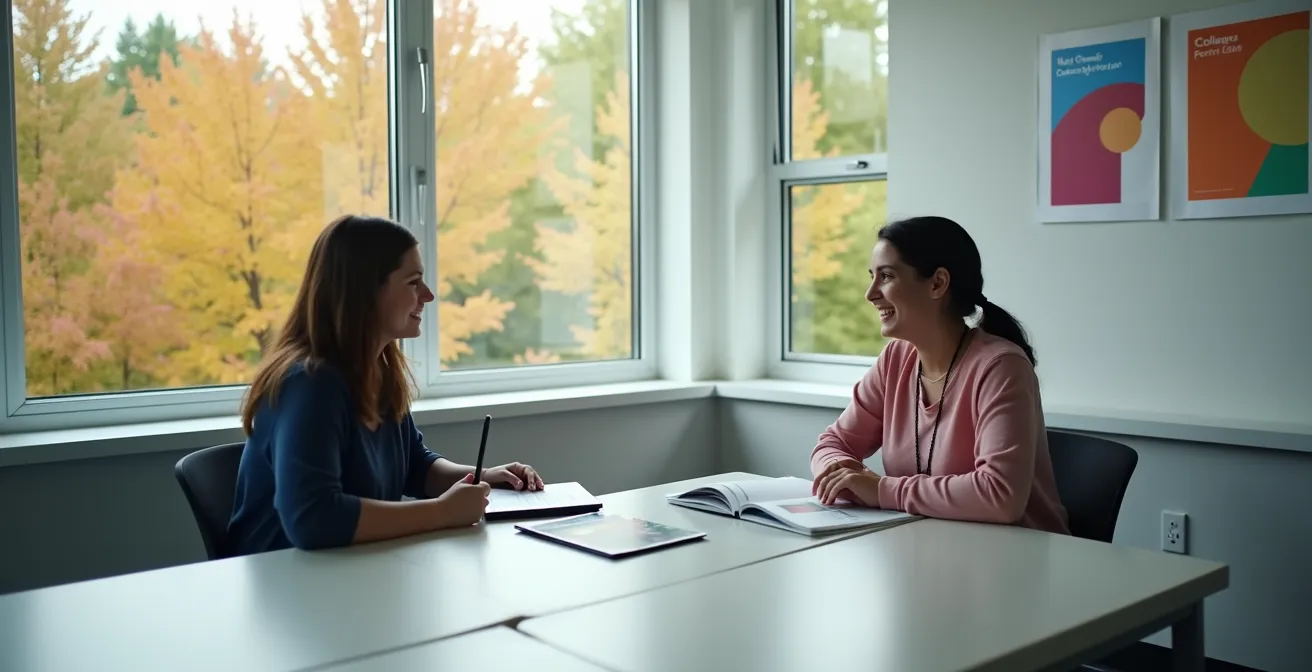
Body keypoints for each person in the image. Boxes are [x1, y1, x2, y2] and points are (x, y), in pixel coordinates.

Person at [227, 214, 546, 555]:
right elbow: (313, 519)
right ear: (365, 292)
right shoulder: (309, 385)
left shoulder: (379, 370)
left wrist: (484, 476)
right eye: (413, 282)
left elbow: (415, 466)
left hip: (349, 574)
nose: (428, 295)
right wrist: (442, 512)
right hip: (286, 587)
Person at [810, 216, 1069, 534]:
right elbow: (833, 442)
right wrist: (839, 470)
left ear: (937, 283)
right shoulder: (895, 359)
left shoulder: (1001, 366)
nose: (870, 294)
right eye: (872, 277)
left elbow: (1000, 496)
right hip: (933, 547)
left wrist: (880, 490)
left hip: (1018, 557)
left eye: (886, 276)